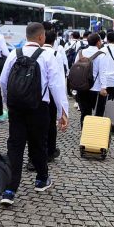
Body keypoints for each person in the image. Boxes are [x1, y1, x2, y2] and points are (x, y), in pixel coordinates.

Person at [0, 22, 68, 207]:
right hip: (39, 107)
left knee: (15, 146)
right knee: (39, 144)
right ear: (41, 37)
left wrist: (8, 102)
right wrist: (63, 112)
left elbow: (3, 81)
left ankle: (9, 190)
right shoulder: (47, 55)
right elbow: (56, 85)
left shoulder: (14, 53)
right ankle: (41, 179)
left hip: (16, 108)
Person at [42, 29, 69, 164]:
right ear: (54, 41)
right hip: (51, 94)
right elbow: (59, 80)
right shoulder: (56, 54)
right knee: (51, 123)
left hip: (36, 94)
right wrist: (63, 107)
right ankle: (50, 151)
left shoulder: (36, 52)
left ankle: (35, 153)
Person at [75, 33, 108, 122]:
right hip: (95, 88)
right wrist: (103, 87)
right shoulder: (101, 55)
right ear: (98, 42)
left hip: (82, 87)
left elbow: (76, 68)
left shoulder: (80, 52)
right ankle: (95, 129)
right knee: (98, 113)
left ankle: (84, 129)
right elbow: (102, 72)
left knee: (85, 112)